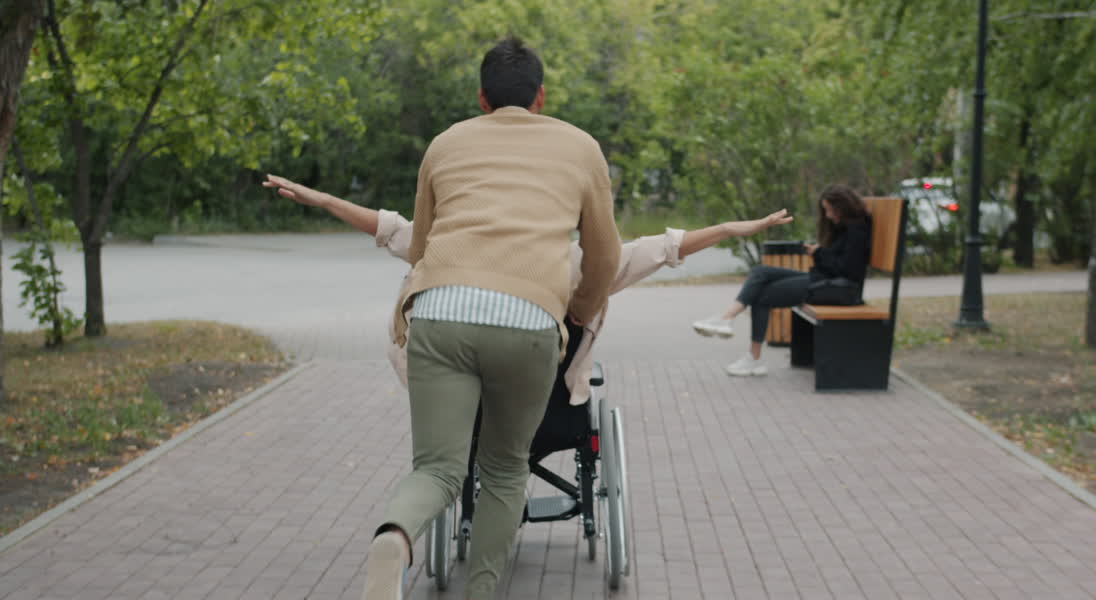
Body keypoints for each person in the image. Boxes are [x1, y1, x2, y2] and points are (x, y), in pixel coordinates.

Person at [354, 36, 622, 600]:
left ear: (480, 99)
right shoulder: (579, 146)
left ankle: (395, 536)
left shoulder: (446, 143)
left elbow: (421, 245)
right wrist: (577, 313)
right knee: (505, 467)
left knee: (439, 469)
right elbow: (605, 254)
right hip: (528, 317)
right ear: (541, 96)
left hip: (440, 312)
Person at [262, 173, 794, 399]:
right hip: (548, 396)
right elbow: (665, 247)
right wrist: (728, 229)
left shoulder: (463, 252)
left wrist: (325, 201)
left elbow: (391, 229)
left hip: (463, 389)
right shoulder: (582, 264)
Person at [692, 184, 871, 377]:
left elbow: (847, 271)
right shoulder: (845, 228)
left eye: (829, 210)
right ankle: (727, 319)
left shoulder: (857, 231)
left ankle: (748, 350)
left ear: (842, 207)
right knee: (761, 271)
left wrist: (819, 253)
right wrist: (821, 252)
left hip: (839, 289)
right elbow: (838, 263)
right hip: (825, 281)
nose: (827, 215)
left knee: (761, 296)